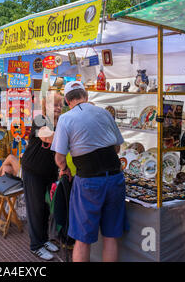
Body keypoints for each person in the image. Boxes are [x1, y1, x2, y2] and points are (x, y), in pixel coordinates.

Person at [51, 81, 128, 262]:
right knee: (111, 237)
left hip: (89, 181)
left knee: (82, 239)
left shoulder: (66, 118)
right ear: (86, 97)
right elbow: (117, 148)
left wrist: (65, 169)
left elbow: (59, 158)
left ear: (68, 102)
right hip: (115, 177)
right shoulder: (104, 113)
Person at [21, 91, 64, 261]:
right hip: (33, 170)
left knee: (46, 207)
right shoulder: (40, 120)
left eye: (61, 105)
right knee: (36, 208)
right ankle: (36, 245)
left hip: (49, 171)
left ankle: (44, 239)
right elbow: (47, 137)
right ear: (47, 106)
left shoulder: (61, 122)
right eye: (55, 105)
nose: (58, 108)